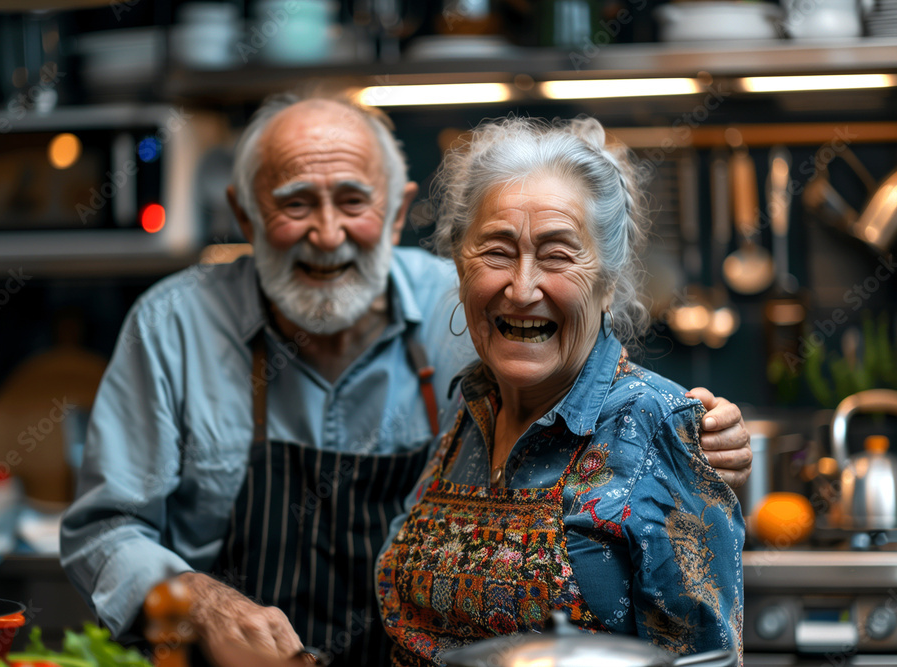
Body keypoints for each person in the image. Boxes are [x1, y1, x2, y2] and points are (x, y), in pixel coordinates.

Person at [60, 94, 751, 667]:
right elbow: (103, 530)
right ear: (246, 216)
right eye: (295, 203)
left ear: (396, 213)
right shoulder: (174, 326)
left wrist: (694, 434)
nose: (327, 234)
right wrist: (198, 601)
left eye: (353, 201)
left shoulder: (478, 325)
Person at [376, 116, 745, 666]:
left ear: (608, 282)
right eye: (497, 251)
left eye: (557, 255)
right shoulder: (471, 408)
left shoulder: (656, 425)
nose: (522, 288)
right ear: (459, 265)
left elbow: (705, 661)